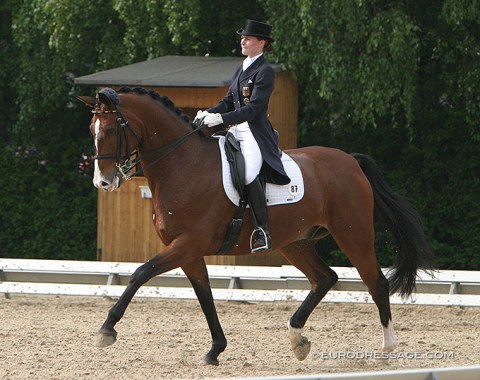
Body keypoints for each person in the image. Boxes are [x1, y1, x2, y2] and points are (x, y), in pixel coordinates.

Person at [195, 19, 290, 253]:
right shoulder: (243, 66)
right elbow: (229, 101)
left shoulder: (265, 71)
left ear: (261, 42)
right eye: (242, 38)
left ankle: (262, 230)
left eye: (247, 38)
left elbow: (255, 108)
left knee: (247, 174)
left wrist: (222, 119)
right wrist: (210, 111)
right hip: (235, 130)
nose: (243, 41)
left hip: (254, 134)